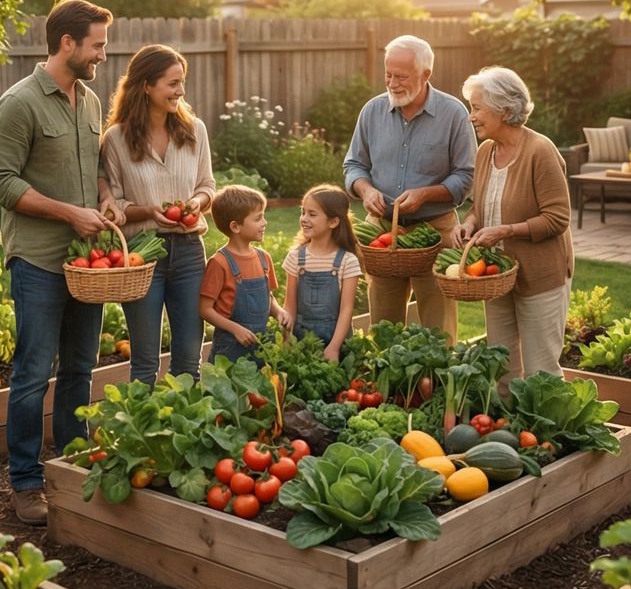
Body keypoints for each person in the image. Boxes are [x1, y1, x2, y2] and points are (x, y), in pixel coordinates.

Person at [0, 0, 122, 526]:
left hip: (87, 264)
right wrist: (69, 213)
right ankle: (25, 481)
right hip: (40, 260)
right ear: (68, 43)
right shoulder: (19, 103)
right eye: (98, 44)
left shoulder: (87, 100)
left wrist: (104, 197)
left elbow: (95, 168)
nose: (104, 55)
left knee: (81, 368)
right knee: (33, 373)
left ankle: (70, 463)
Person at [343, 34, 476, 343]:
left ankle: (440, 387)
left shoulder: (454, 114)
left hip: (436, 230)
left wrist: (426, 194)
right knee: (383, 329)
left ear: (426, 74)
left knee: (438, 329)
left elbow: (467, 176)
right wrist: (365, 190)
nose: (392, 83)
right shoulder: (372, 112)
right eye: (388, 74)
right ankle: (390, 390)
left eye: (401, 76)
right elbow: (353, 166)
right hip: (382, 235)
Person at [448, 66, 573, 386]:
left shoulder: (540, 151)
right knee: (501, 367)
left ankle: (549, 435)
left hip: (540, 276)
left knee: (540, 370)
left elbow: (557, 218)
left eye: (477, 108)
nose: (470, 116)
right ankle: (508, 434)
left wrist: (506, 231)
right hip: (498, 275)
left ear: (503, 109)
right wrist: (471, 223)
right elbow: (480, 205)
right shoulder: (486, 150)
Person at [101, 44, 216, 385]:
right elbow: (114, 203)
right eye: (172, 83)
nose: (180, 91)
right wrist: (149, 211)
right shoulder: (117, 140)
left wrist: (196, 202)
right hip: (141, 255)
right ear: (147, 86)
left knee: (188, 358)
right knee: (145, 361)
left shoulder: (195, 130)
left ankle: (186, 432)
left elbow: (208, 185)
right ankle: (143, 434)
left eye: (182, 83)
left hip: (189, 252)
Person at [199, 184, 290, 364]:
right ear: (235, 226)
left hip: (260, 345)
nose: (264, 223)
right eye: (258, 218)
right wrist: (235, 329)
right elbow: (205, 309)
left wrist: (278, 311)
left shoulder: (264, 258)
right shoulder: (219, 263)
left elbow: (268, 297)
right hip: (230, 348)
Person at [281, 184, 361, 361]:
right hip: (301, 344)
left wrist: (334, 348)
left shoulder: (348, 261)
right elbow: (290, 307)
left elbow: (346, 310)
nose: (304, 218)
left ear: (333, 222)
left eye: (312, 214)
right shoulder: (295, 257)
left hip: (337, 343)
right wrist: (287, 340)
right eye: (303, 212)